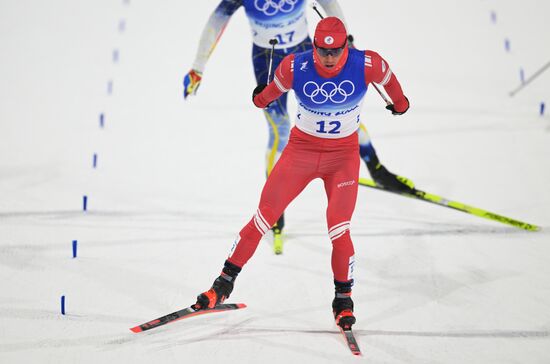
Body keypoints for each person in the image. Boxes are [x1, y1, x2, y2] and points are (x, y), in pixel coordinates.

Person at [192, 17, 410, 330]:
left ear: (346, 46)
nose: (329, 58)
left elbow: (392, 86)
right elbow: (266, 98)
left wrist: (400, 104)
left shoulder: (368, 63)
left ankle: (343, 302)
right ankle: (222, 286)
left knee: (339, 230)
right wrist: (259, 96)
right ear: (314, 47)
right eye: (323, 51)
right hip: (301, 154)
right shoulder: (295, 66)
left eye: (335, 52)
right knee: (262, 219)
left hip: (342, 160)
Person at [183, 0, 414, 254]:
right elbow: (218, 19)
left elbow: (329, 4)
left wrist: (345, 43)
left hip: (308, 51)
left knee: (341, 111)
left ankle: (377, 169)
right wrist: (198, 67)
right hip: (267, 58)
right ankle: (275, 215)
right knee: (279, 128)